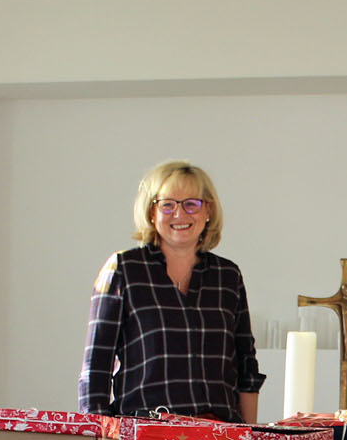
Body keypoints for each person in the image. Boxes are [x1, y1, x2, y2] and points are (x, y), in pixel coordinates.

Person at [80, 160, 264, 423]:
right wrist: (98, 438)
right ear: (151, 212)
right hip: (146, 432)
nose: (180, 214)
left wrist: (250, 438)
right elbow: (95, 369)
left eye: (192, 203)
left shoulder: (228, 276)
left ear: (208, 210)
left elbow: (247, 369)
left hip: (218, 434)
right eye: (167, 204)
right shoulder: (124, 269)